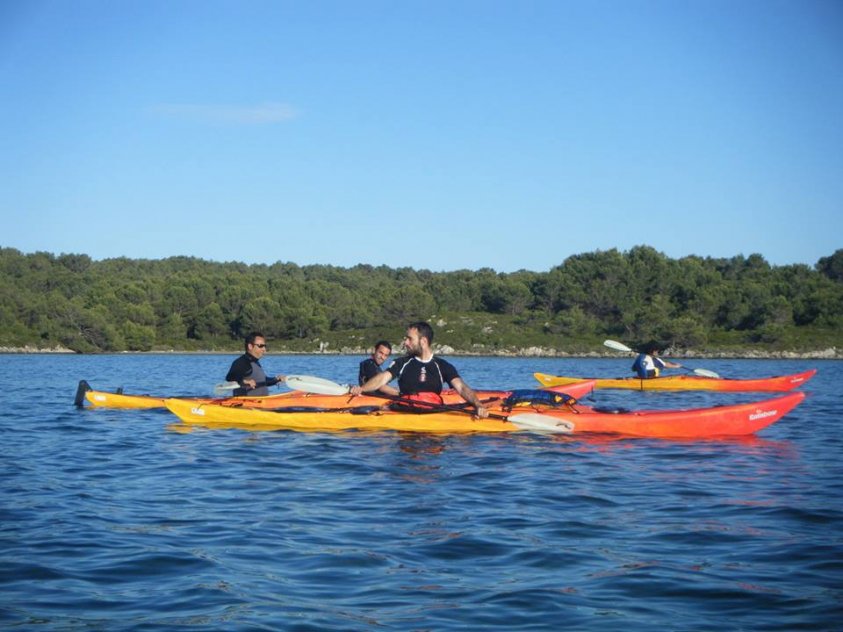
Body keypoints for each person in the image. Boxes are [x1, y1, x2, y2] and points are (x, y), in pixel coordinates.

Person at [350, 321, 489, 418]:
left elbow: (462, 388)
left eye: (410, 339)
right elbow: (382, 378)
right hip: (404, 415)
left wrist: (478, 405)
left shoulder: (442, 365)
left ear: (423, 341)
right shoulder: (402, 362)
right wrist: (362, 389)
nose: (405, 343)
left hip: (433, 418)